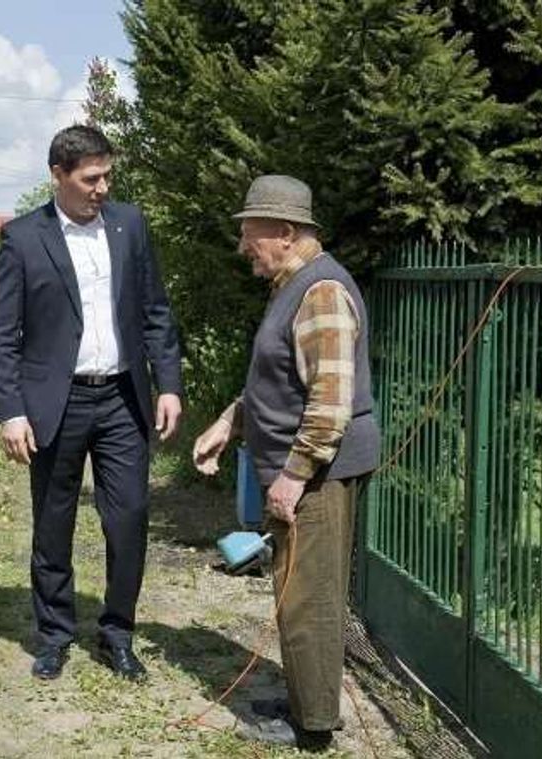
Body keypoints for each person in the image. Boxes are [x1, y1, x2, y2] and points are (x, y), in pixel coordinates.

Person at [0, 125, 183, 682]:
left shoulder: (130, 226)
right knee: (54, 522)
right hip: (57, 402)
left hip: (123, 398)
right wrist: (11, 411)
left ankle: (118, 633)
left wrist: (168, 383)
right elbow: (2, 333)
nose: (102, 187)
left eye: (107, 176)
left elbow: (155, 311)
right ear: (58, 176)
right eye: (90, 178)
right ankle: (54, 634)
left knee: (129, 519)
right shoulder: (24, 238)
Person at [191, 175, 381, 753]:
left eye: (250, 234)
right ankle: (308, 700)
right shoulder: (291, 284)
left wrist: (294, 477)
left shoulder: (321, 292)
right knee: (296, 589)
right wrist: (230, 421)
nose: (243, 246)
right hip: (301, 471)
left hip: (318, 475)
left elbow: (329, 401)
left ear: (285, 231)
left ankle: (315, 726)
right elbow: (278, 382)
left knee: (311, 597)